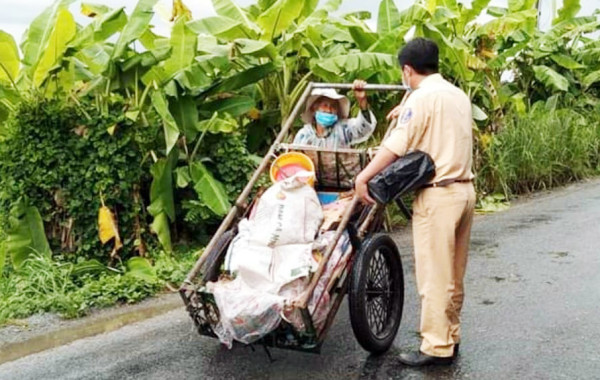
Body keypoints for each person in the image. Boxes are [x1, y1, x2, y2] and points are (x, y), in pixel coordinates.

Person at [354, 38, 476, 366]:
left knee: (435, 275)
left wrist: (363, 176)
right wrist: (408, 103)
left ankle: (435, 347)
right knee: (453, 273)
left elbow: (396, 144)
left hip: (438, 196)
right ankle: (450, 336)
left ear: (407, 70)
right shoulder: (456, 95)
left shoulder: (421, 99)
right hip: (464, 191)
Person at [293, 80, 376, 149]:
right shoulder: (304, 135)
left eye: (333, 106)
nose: (329, 110)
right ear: (314, 108)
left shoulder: (343, 129)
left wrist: (362, 101)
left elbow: (363, 128)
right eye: (325, 106)